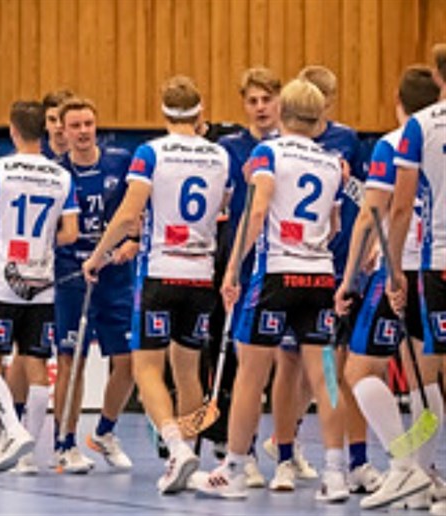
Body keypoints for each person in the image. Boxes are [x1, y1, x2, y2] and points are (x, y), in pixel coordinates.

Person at [198, 79, 348, 502]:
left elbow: (258, 210)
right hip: (319, 277)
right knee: (326, 378)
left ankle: (233, 469)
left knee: (252, 374)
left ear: (282, 111)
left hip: (275, 277)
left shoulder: (269, 152)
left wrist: (232, 266)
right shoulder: (332, 162)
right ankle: (335, 474)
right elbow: (334, 227)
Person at [83, 76, 230, 493]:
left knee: (146, 366)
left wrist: (98, 256)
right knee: (188, 370)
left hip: (161, 272)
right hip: (200, 273)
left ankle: (176, 448)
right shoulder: (219, 155)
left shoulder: (152, 152)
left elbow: (129, 214)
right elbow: (222, 205)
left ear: (163, 112)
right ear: (200, 112)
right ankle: (189, 455)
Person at [263, 66, 382, 495]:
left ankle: (353, 460)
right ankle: (284, 451)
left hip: (338, 266)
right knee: (289, 364)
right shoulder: (277, 146)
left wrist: (372, 242)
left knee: (337, 365)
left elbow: (370, 197)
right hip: (293, 265)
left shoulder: (346, 142)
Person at [335, 65, 441, 510]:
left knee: (358, 372)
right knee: (425, 380)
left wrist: (349, 279)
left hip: (404, 267)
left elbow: (373, 214)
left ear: (398, 101)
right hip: (433, 267)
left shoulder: (395, 142)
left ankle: (403, 466)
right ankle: (425, 474)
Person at [0, 100, 79, 473]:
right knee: (36, 364)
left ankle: (13, 431)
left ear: (13, 131)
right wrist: (40, 245)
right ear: (44, 131)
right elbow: (71, 232)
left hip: (4, 281)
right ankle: (28, 456)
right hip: (42, 281)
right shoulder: (62, 176)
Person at [206, 68, 283, 487]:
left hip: (281, 265)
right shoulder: (229, 148)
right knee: (242, 362)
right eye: (252, 101)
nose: (260, 107)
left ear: (279, 101)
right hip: (239, 262)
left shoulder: (288, 147)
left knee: (287, 363)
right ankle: (244, 451)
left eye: (266, 99)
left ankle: (286, 449)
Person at [53, 97, 135, 474]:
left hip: (115, 278)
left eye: (88, 123)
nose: (83, 131)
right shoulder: (57, 173)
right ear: (63, 130)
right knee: (72, 361)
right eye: (75, 125)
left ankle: (104, 431)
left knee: (128, 361)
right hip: (72, 277)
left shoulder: (121, 161)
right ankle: (64, 443)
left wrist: (133, 242)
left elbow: (140, 211)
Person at [384, 45, 446, 516]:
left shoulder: (421, 126)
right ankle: (421, 471)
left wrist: (393, 268)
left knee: (431, 376)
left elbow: (400, 206)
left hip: (439, 260)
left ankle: (417, 471)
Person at [40, 89, 75, 161]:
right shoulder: (33, 152)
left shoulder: (89, 153)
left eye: (63, 119)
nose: (58, 125)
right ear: (44, 122)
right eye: (52, 120)